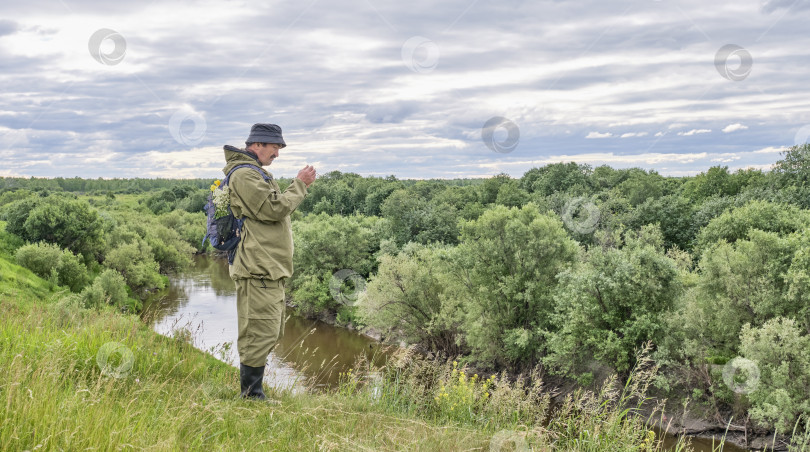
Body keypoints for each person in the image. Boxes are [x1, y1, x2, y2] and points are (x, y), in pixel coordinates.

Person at [222, 123, 316, 400]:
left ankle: (254, 393)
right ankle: (251, 397)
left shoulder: (255, 172)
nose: (278, 152)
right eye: (275, 146)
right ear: (257, 145)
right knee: (257, 332)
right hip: (257, 268)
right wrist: (300, 184)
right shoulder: (244, 175)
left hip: (267, 269)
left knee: (269, 329)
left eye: (279, 147)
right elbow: (274, 208)